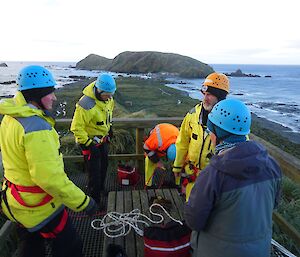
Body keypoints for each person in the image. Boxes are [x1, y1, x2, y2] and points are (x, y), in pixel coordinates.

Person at [0, 65, 97, 257]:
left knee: (32, 247)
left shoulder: (11, 117)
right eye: (49, 93)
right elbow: (49, 179)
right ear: (35, 96)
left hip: (16, 201)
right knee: (71, 246)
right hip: (39, 206)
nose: (54, 97)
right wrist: (84, 202)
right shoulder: (37, 128)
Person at [184, 99, 282, 257]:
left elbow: (194, 221)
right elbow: (273, 205)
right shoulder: (272, 165)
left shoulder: (212, 174)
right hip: (260, 251)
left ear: (215, 133)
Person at [172, 72, 230, 200]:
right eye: (204, 94)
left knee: (208, 215)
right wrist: (177, 166)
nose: (205, 98)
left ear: (220, 97)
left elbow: (237, 153)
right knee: (190, 207)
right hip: (191, 175)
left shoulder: (229, 121)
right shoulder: (192, 115)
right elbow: (182, 143)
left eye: (209, 95)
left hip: (213, 181)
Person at [70, 73, 116, 204]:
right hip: (89, 143)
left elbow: (108, 114)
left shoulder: (108, 99)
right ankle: (94, 200)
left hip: (103, 140)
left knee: (104, 166)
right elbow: (76, 128)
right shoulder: (85, 104)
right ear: (98, 90)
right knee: (94, 173)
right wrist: (89, 144)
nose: (109, 98)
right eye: (107, 95)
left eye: (111, 94)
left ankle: (100, 189)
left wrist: (110, 128)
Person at [143, 123, 179, 187]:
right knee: (149, 160)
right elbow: (146, 147)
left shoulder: (180, 142)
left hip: (169, 134)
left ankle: (176, 184)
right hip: (159, 134)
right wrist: (157, 161)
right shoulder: (156, 141)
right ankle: (149, 184)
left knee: (177, 164)